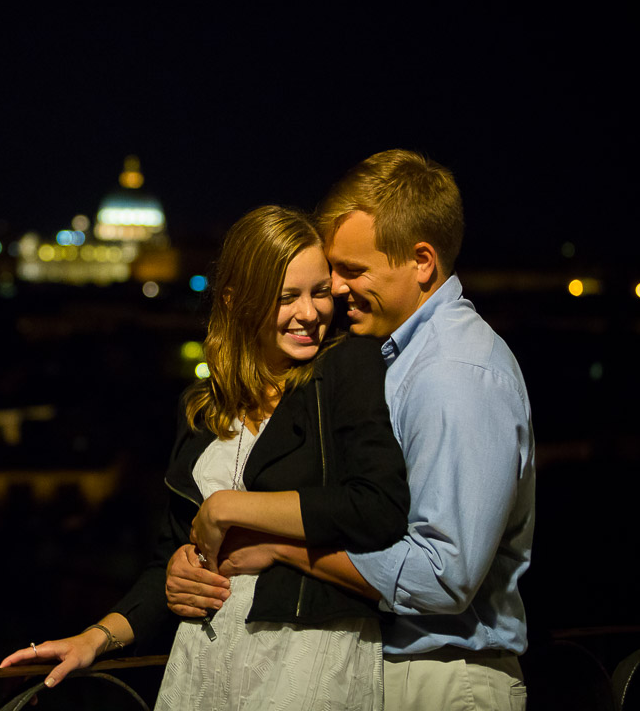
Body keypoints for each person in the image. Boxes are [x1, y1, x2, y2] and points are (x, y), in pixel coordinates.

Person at [166, 150, 535, 710]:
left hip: (445, 677)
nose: (334, 290)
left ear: (421, 262)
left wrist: (279, 546)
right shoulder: (402, 359)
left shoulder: (454, 374)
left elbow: (442, 577)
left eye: (351, 270)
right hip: (408, 673)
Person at [0, 205, 409, 710]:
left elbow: (378, 508)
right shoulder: (201, 407)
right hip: (203, 669)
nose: (311, 313)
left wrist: (230, 509)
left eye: (319, 291)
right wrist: (96, 638)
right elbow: (171, 561)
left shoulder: (347, 368)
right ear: (238, 301)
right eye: (286, 297)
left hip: (306, 665)